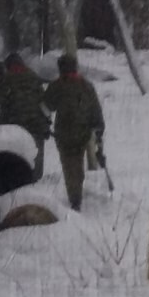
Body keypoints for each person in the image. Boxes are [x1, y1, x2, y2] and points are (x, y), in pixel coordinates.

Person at [43, 53, 105, 208]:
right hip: (82, 135)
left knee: (68, 166)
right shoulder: (87, 86)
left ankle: (74, 197)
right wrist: (98, 131)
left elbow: (45, 107)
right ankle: (76, 192)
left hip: (63, 135)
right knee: (77, 164)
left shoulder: (56, 86)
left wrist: (45, 123)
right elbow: (95, 111)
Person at [0, 52, 50, 151]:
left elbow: (2, 105)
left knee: (19, 159)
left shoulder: (6, 80)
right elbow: (44, 103)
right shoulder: (34, 78)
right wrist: (46, 124)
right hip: (36, 126)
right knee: (36, 157)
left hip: (15, 128)